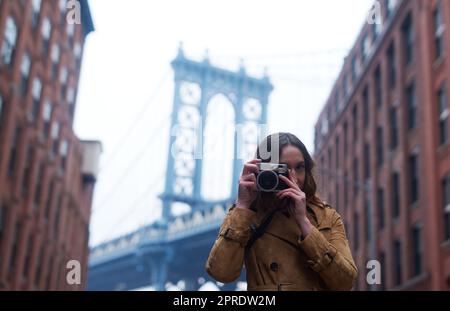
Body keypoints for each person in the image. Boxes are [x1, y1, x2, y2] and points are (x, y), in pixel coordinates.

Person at [205, 132, 358, 291]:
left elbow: (345, 282)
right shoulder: (247, 215)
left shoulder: (326, 216)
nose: (294, 178)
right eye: (282, 170)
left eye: (299, 167)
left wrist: (305, 224)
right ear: (264, 171)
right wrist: (243, 205)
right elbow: (221, 273)